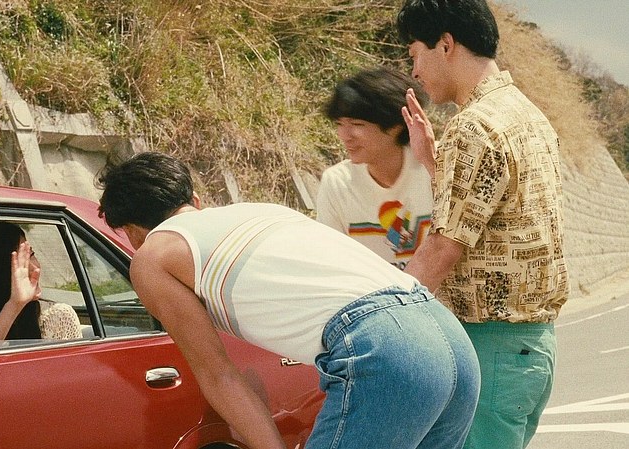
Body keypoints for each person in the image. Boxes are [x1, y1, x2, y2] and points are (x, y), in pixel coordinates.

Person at [97, 151, 480, 449]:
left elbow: (219, 376)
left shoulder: (153, 256)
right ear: (195, 200)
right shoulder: (261, 211)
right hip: (447, 336)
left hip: (385, 348)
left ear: (131, 231)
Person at [396, 1, 568, 448]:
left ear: (445, 44)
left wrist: (384, 316)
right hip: (528, 350)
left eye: (415, 54)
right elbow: (496, 214)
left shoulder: (473, 127)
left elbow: (444, 248)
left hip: (487, 348)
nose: (414, 71)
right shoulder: (528, 115)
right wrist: (434, 163)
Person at [317, 67, 433, 270]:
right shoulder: (337, 183)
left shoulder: (433, 167)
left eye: (357, 124)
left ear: (395, 126)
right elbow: (331, 264)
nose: (344, 135)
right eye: (339, 124)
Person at [0, 221, 82, 349]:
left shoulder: (58, 317)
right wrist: (14, 305)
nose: (35, 268)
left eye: (31, 255)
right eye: (19, 263)